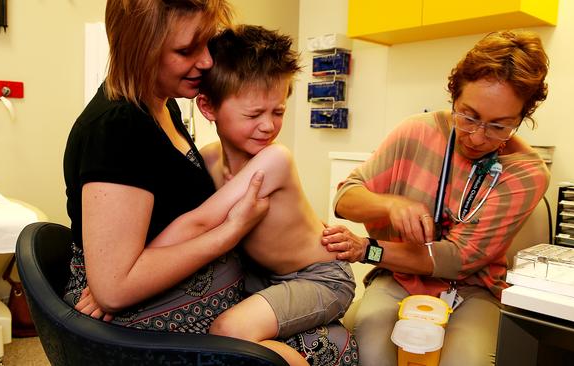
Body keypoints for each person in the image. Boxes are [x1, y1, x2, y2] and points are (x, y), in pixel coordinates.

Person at [62, 1, 359, 364]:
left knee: (337, 337)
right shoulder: (119, 126)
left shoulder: (166, 107)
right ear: (141, 46)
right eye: (187, 49)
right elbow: (193, 225)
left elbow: (189, 218)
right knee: (319, 342)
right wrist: (112, 279)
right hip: (247, 292)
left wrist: (364, 247)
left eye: (207, 43)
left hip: (305, 275)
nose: (205, 61)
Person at [323, 30, 550, 366]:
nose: (477, 136)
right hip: (396, 276)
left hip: (472, 290)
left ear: (521, 117)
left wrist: (367, 248)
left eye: (499, 126)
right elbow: (345, 198)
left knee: (465, 361)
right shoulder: (416, 132)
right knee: (370, 349)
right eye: (468, 116)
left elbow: (458, 259)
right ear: (453, 94)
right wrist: (390, 203)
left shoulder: (526, 173)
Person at [149, 25, 356, 365]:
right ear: (208, 107)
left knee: (227, 329)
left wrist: (134, 271)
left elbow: (200, 222)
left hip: (320, 278)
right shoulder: (210, 157)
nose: (268, 126)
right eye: (253, 114)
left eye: (278, 112)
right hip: (265, 275)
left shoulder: (275, 159)